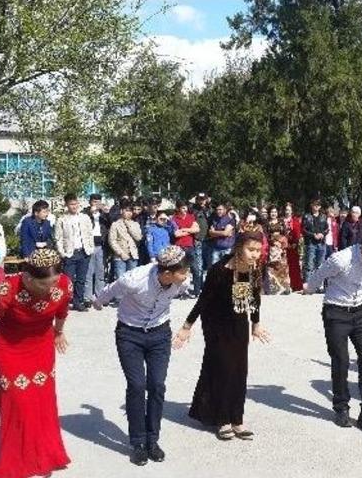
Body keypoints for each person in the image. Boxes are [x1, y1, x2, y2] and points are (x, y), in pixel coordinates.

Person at [0, 249, 72, 478]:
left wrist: (58, 333)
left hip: (41, 346)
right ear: (29, 278)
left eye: (54, 281)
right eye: (46, 284)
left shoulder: (64, 284)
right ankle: (17, 459)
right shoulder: (9, 287)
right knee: (18, 401)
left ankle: (44, 454)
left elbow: (62, 311)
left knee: (41, 400)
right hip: (11, 348)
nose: (51, 288)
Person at [92, 246, 192, 465]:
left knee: (157, 385)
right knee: (137, 385)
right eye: (183, 271)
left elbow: (183, 286)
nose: (186, 276)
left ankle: (152, 440)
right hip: (130, 335)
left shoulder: (180, 282)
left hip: (160, 334)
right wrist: (98, 302)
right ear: (167, 272)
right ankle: (137, 442)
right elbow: (110, 290)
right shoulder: (134, 279)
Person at [176, 232, 271, 440]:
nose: (255, 254)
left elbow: (254, 299)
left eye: (258, 250)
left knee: (239, 370)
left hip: (238, 323)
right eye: (250, 249)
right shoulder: (219, 270)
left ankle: (237, 418)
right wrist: (186, 326)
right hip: (216, 324)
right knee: (223, 369)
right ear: (238, 247)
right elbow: (204, 300)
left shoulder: (255, 269)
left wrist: (255, 323)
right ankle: (222, 419)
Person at [304, 230, 362, 433]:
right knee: (341, 360)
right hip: (335, 311)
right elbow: (319, 274)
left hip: (360, 313)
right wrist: (308, 287)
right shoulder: (341, 259)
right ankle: (341, 407)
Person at [54, 193, 94, 312]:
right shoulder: (62, 219)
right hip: (70, 253)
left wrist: (90, 248)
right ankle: (64, 303)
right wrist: (62, 253)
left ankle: (78, 302)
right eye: (71, 204)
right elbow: (58, 238)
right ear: (66, 205)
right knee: (68, 280)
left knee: (81, 279)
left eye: (76, 203)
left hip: (83, 252)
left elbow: (89, 234)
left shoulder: (85, 217)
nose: (74, 206)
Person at [83, 194, 110, 308]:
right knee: (88, 272)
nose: (96, 204)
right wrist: (90, 212)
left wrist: (107, 213)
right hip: (89, 244)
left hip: (101, 244)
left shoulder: (104, 213)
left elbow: (112, 222)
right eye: (94, 201)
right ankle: (87, 297)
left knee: (100, 272)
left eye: (98, 201)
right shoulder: (85, 213)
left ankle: (100, 296)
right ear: (90, 202)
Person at [171, 200, 202, 297]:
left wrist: (184, 229)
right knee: (179, 269)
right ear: (178, 208)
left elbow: (197, 229)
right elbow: (176, 234)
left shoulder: (191, 217)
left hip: (190, 247)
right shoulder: (173, 219)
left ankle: (196, 291)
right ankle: (178, 292)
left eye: (186, 208)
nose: (186, 209)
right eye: (183, 208)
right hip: (179, 247)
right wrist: (190, 231)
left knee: (195, 269)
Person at [109, 199, 144, 281]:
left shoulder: (135, 224)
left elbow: (138, 237)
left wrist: (129, 225)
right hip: (120, 256)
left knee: (132, 279)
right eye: (126, 210)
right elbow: (112, 241)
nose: (129, 213)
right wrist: (121, 253)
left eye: (130, 211)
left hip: (133, 255)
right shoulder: (115, 224)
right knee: (121, 280)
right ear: (121, 211)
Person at [302, 199, 329, 281]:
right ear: (311, 205)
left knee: (320, 265)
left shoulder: (324, 216)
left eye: (318, 205)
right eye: (314, 204)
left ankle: (319, 285)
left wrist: (322, 234)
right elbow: (303, 230)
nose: (316, 206)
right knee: (309, 265)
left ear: (320, 206)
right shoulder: (306, 216)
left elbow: (327, 229)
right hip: (311, 243)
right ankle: (308, 284)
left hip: (321, 243)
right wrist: (313, 235)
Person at [207, 203, 237, 268]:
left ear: (225, 210)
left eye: (220, 209)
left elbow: (225, 233)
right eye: (217, 210)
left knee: (226, 269)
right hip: (216, 248)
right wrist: (222, 233)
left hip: (227, 249)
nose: (218, 211)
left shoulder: (230, 219)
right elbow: (210, 233)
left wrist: (215, 232)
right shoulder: (214, 220)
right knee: (214, 269)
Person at [282, 202, 304, 291]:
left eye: (289, 210)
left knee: (294, 265)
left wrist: (295, 242)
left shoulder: (295, 220)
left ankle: (295, 285)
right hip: (283, 246)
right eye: (286, 210)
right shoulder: (281, 220)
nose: (287, 211)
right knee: (283, 265)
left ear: (292, 211)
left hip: (293, 246)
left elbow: (298, 233)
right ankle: (284, 286)